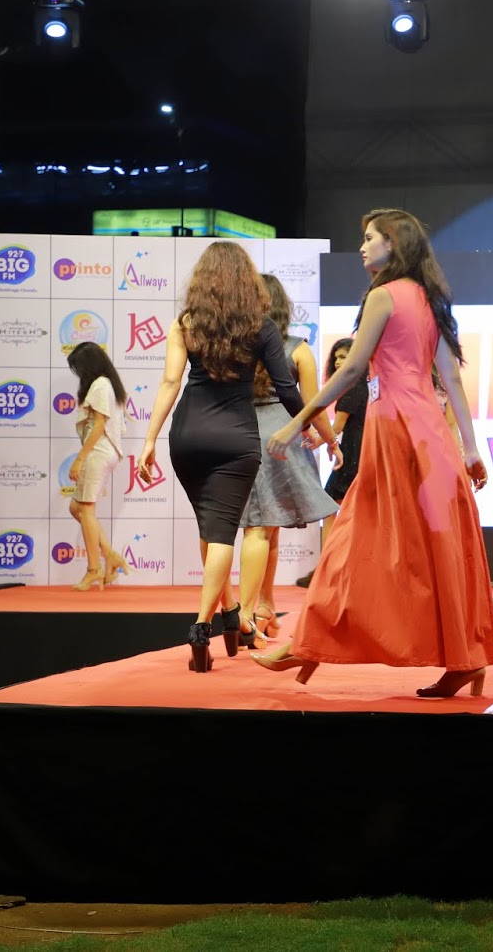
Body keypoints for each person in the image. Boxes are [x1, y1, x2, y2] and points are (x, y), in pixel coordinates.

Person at [255, 208, 493, 699]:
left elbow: (350, 371)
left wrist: (299, 421)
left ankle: (310, 643)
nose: (363, 247)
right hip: (428, 431)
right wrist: (471, 449)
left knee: (357, 538)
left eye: (371, 238)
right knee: (437, 545)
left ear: (394, 244)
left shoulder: (384, 295)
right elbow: (452, 380)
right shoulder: (428, 297)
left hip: (396, 430)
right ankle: (463, 658)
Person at [136, 242, 306, 673]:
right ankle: (201, 625)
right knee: (222, 533)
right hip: (235, 438)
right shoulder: (262, 327)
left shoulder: (186, 323)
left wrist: (149, 439)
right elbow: (287, 389)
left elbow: (170, 383)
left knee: (211, 528)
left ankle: (231, 615)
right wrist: (313, 426)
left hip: (187, 436)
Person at [236, 274, 342, 645]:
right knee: (263, 529)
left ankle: (264, 605)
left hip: (240, 434)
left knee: (264, 527)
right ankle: (247, 614)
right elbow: (312, 405)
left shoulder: (233, 349)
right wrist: (331, 441)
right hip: (282, 440)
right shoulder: (297, 349)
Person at [296, 338, 365, 588]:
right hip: (359, 455)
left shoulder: (352, 389)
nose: (337, 362)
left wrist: (316, 440)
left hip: (352, 458)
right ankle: (336, 568)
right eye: (335, 357)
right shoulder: (365, 386)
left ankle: (327, 570)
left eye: (343, 357)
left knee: (331, 510)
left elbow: (336, 428)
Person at [65, 342, 128, 590]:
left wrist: (80, 458)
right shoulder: (107, 384)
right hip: (103, 452)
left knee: (86, 509)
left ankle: (94, 570)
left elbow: (100, 425)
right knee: (77, 507)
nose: (78, 374)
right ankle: (110, 555)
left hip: (98, 452)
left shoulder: (101, 384)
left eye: (79, 368)